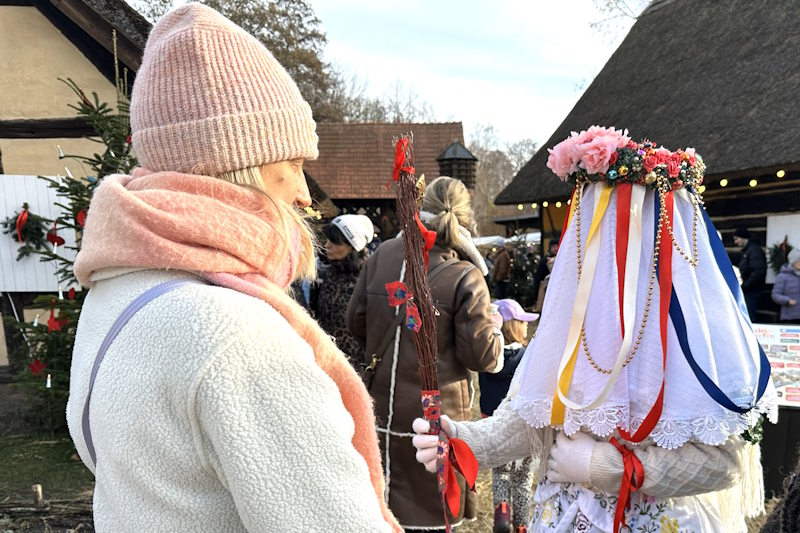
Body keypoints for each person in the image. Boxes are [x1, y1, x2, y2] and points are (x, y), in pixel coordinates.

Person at [64, 5, 400, 531]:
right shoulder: (234, 336)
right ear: (240, 163)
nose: (304, 193)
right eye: (292, 164)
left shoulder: (115, 293)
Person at [413, 127, 776, 532]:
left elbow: (724, 464)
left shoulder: (693, 328)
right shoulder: (575, 316)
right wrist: (460, 438)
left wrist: (613, 467)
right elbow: (527, 422)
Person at [347, 176, 504, 531]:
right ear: (466, 218)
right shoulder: (466, 276)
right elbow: (484, 358)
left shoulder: (380, 256)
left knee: (383, 513)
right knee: (433, 519)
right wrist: (494, 329)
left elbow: (356, 322)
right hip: (436, 424)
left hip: (382, 413)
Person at [478, 299, 539, 533]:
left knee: (500, 471)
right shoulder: (527, 357)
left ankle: (502, 514)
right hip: (519, 424)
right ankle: (522, 525)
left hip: (493, 422)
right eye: (522, 322)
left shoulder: (487, 359)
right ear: (513, 326)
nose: (526, 327)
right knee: (522, 477)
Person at [309, 214, 374, 367]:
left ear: (352, 246)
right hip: (323, 360)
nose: (327, 245)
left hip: (355, 365)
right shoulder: (323, 273)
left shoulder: (369, 278)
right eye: (328, 239)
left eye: (335, 241)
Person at [734, 226, 767, 322]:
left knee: (748, 316)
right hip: (749, 290)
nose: (735, 242)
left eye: (737, 239)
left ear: (744, 237)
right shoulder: (748, 251)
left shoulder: (754, 251)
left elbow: (758, 271)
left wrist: (744, 286)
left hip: (751, 291)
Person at [771, 248, 800, 324]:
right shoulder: (782, 276)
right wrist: (787, 300)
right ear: (793, 262)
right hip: (790, 317)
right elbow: (775, 295)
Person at [532, 238, 559, 310]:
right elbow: (539, 277)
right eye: (553, 246)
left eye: (557, 246)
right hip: (546, 290)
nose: (555, 249)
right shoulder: (544, 261)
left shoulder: (561, 260)